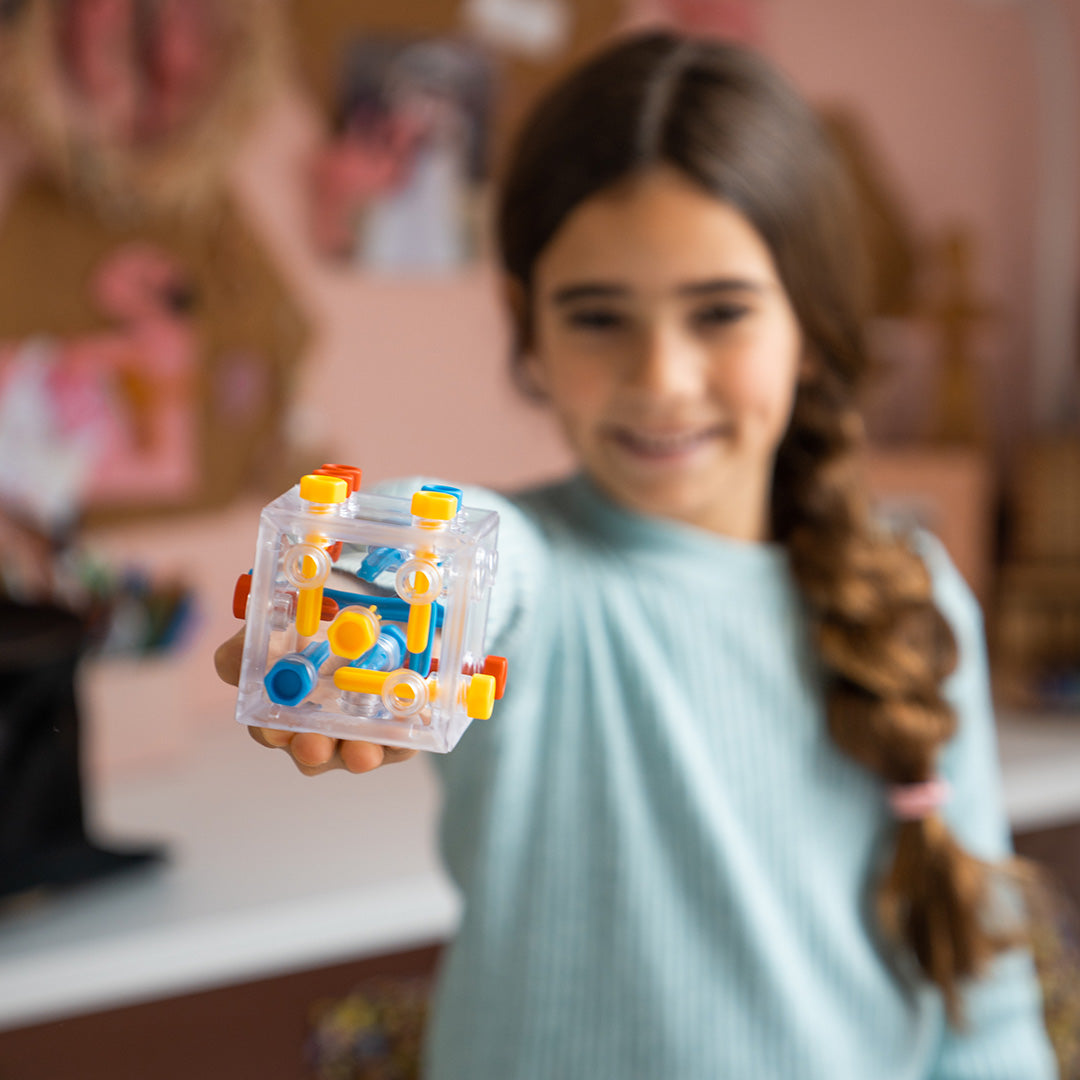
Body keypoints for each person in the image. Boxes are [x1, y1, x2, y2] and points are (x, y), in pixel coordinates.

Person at [215, 31, 1058, 1079]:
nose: (662, 377)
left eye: (720, 312)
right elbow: (475, 547)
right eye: (599, 315)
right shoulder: (535, 576)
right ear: (528, 329)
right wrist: (378, 554)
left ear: (810, 319)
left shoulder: (917, 595)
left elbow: (987, 999)